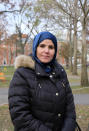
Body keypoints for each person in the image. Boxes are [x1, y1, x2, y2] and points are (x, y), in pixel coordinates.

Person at [8, 31, 76, 131]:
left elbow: (70, 109)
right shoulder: (22, 74)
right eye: (42, 46)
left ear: (55, 50)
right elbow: (20, 115)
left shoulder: (60, 72)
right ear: (35, 48)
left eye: (51, 47)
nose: (46, 51)